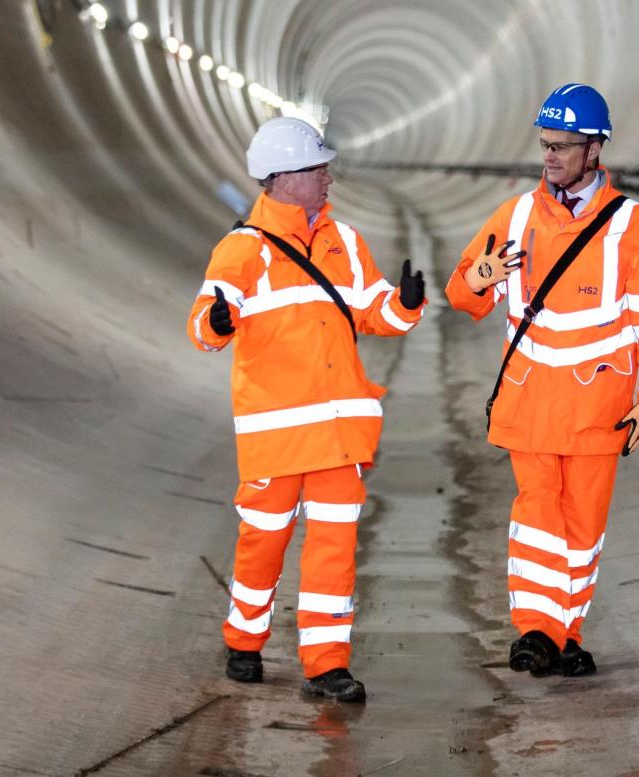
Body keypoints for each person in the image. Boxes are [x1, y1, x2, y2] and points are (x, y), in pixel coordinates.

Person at [444, 84, 639, 677]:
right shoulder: (517, 217)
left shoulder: (632, 226)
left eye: (563, 147)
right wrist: (481, 274)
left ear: (594, 150)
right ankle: (536, 631)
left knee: (583, 527)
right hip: (529, 403)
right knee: (537, 518)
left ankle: (564, 632)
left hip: (598, 408)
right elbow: (461, 294)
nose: (549, 157)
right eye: (545, 145)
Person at [187, 117, 426, 702]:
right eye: (318, 168)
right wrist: (217, 324)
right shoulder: (243, 250)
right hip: (277, 435)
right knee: (263, 540)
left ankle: (326, 663)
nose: (328, 177)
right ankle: (244, 641)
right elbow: (203, 322)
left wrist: (406, 305)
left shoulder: (344, 242)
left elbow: (374, 312)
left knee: (334, 549)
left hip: (338, 433)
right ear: (285, 178)